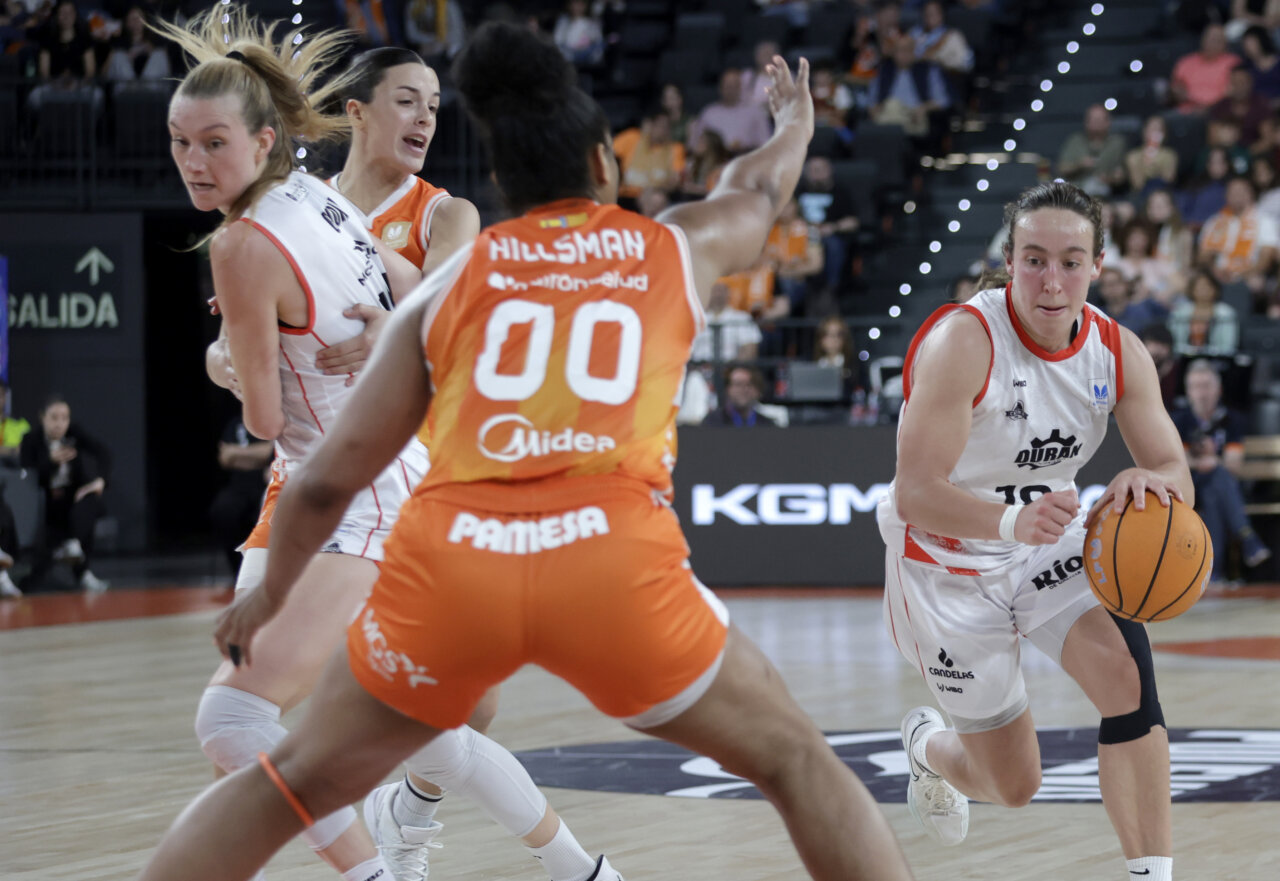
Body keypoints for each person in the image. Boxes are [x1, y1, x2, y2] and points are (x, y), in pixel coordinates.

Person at [138, 24, 916, 881]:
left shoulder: (447, 285)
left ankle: (476, 842)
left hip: (461, 559)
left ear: (502, 180)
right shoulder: (668, 248)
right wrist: (794, 126)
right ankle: (556, 857)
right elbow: (757, 188)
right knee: (800, 762)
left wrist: (265, 597)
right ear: (604, 167)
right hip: (612, 560)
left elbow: (327, 478)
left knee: (275, 781)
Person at [321, 46, 620, 881]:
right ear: (355, 111)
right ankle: (569, 866)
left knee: (466, 703)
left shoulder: (441, 212)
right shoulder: (299, 212)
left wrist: (366, 269)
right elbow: (233, 334)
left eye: (434, 106)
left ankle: (403, 814)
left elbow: (449, 300)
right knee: (330, 704)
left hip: (433, 469)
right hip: (330, 479)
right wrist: (225, 360)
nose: (424, 119)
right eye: (406, 101)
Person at [157, 9, 429, 881]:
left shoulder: (239, 243)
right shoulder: (313, 191)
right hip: (369, 473)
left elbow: (266, 418)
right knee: (249, 733)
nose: (195, 163)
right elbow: (417, 288)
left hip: (355, 489)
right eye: (179, 143)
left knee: (234, 723)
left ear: (263, 138)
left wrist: (226, 362)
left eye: (213, 144)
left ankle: (382, 874)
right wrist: (382, 334)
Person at [878, 181, 1191, 881]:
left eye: (1071, 261)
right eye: (1035, 259)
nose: (1052, 281)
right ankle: (928, 744)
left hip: (1046, 537)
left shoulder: (1117, 351)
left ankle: (1152, 875)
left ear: (1099, 264)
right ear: (1011, 259)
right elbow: (917, 491)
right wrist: (1009, 519)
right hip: (944, 560)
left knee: (1127, 679)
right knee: (1013, 786)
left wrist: (1154, 484)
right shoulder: (965, 340)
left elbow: (1173, 464)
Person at [1171, 359, 1271, 583]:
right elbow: (1177, 462)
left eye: (1206, 386)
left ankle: (1213, 574)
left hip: (1220, 485)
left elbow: (1234, 464)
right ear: (1188, 392)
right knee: (1216, 478)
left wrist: (1213, 461)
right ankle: (1247, 538)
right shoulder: (1180, 421)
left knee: (1215, 490)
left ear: (1218, 389)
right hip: (1189, 486)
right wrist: (1205, 462)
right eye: (1195, 387)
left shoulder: (1232, 420)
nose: (1201, 393)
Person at [19, 394, 110, 592]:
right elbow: (27, 477)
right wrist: (50, 461)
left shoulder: (74, 434)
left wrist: (99, 481)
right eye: (54, 417)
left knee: (90, 501)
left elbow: (103, 451)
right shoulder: (31, 440)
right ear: (42, 417)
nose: (60, 424)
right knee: (35, 577)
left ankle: (79, 560)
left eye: (65, 417)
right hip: (45, 506)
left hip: (72, 501)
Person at [208, 416, 272, 581]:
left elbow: (270, 452)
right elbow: (225, 458)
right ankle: (237, 570)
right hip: (239, 484)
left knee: (265, 513)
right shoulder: (236, 423)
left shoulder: (275, 418)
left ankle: (265, 572)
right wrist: (256, 457)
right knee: (223, 509)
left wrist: (237, 453)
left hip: (266, 483)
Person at [1056, 104, 1128, 197]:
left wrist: (1111, 178)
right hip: (1077, 194)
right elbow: (1062, 169)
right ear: (1086, 122)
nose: (1097, 123)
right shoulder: (1075, 141)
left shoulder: (1117, 144)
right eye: (1093, 119)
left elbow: (1123, 174)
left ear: (1108, 122)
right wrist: (1079, 165)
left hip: (1109, 196)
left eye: (1100, 119)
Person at [1170, 22, 1239, 114]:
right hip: (1186, 111)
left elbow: (1233, 91)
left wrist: (1206, 106)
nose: (1212, 43)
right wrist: (1197, 103)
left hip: (1219, 113)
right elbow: (1176, 90)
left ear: (1225, 44)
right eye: (1210, 38)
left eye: (1217, 40)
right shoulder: (1186, 62)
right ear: (1202, 40)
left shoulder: (1233, 63)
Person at [1168, 270, 1240, 356]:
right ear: (1192, 290)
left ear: (1215, 289)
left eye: (1207, 286)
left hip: (1217, 360)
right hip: (1183, 359)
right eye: (1199, 286)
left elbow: (1228, 347)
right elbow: (1173, 343)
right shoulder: (1179, 312)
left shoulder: (1227, 313)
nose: (1203, 290)